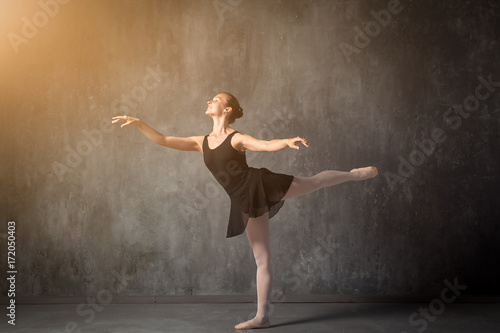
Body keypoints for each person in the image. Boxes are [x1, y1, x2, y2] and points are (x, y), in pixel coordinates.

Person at [112, 92, 378, 330]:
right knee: (261, 259)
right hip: (241, 200)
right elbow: (164, 139)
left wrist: (285, 141)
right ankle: (262, 317)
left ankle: (353, 175)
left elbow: (263, 144)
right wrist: (139, 123)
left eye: (215, 99)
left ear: (227, 109)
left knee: (313, 182)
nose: (209, 101)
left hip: (258, 184)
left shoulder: (236, 138)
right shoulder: (200, 141)